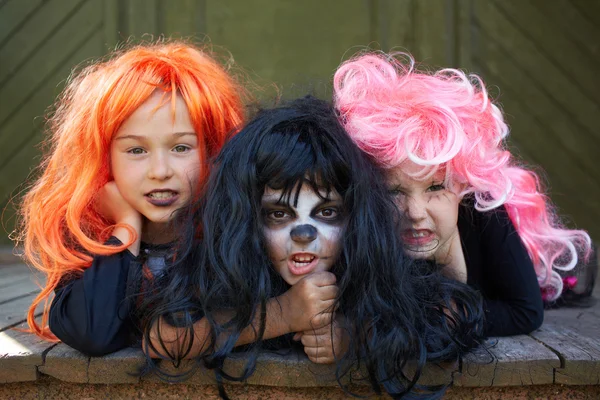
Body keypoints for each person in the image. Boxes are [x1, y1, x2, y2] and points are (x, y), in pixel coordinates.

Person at [143, 96, 484, 398]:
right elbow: (160, 339)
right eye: (278, 213)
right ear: (246, 219)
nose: (303, 234)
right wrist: (283, 314)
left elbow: (452, 313)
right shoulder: (230, 269)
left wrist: (352, 335)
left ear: (357, 216)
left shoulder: (378, 269)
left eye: (326, 212)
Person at [333, 52, 592, 336]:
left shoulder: (486, 209)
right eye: (393, 191)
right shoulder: (357, 227)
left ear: (461, 185)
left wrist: (447, 297)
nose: (416, 212)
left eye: (435, 187)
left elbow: (525, 312)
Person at [16, 41, 246, 356]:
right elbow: (93, 333)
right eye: (136, 150)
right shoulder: (87, 236)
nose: (160, 171)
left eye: (181, 147)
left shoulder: (232, 230)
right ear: (104, 158)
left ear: (211, 150)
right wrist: (126, 226)